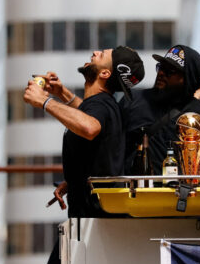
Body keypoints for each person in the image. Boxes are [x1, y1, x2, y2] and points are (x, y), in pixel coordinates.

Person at [24, 46, 144, 217]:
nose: (95, 53)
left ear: (104, 74)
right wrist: (62, 93)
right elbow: (88, 117)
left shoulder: (100, 105)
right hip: (96, 216)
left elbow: (90, 127)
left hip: (94, 220)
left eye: (101, 55)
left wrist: (43, 101)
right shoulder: (105, 105)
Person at [121, 44, 200, 175]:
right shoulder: (134, 100)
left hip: (183, 194)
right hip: (134, 192)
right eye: (161, 67)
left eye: (170, 71)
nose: (161, 73)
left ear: (189, 79)